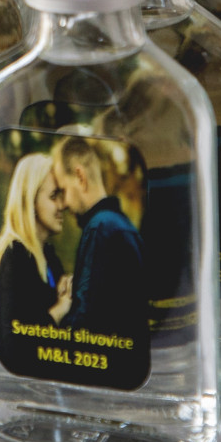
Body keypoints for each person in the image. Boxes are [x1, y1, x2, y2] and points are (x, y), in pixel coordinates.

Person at [53, 136, 145, 342]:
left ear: (80, 177)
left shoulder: (99, 229)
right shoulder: (122, 225)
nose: (63, 204)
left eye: (63, 190)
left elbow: (83, 326)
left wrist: (62, 311)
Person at [0, 152, 73, 329]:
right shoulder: (15, 257)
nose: (62, 206)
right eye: (53, 196)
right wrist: (60, 309)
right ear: (30, 200)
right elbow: (14, 337)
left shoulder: (49, 257)